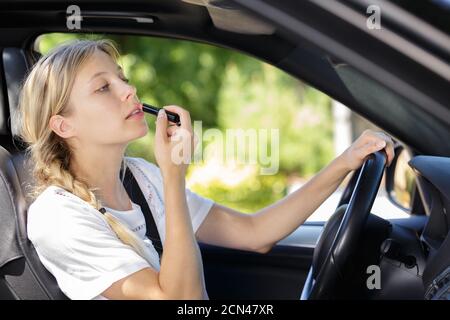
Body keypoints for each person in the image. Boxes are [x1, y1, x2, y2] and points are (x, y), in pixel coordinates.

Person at [15, 39, 394, 300]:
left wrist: (345, 162)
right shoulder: (58, 217)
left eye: (122, 79)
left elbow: (255, 233)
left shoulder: (140, 176)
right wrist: (174, 177)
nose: (129, 91)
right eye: (103, 88)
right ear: (63, 126)